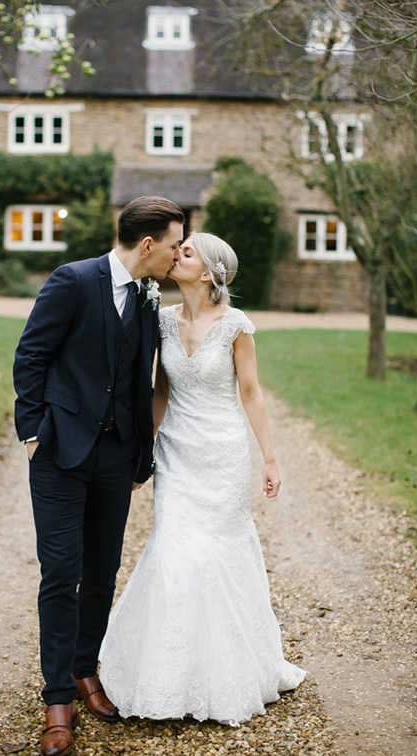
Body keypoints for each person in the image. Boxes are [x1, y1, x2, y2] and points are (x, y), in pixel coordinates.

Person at [99, 231, 306, 727]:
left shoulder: (236, 326)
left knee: (219, 551)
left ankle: (226, 672)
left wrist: (270, 459)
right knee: (172, 546)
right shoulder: (163, 320)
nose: (176, 254)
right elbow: (159, 394)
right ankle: (166, 673)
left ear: (209, 272)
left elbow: (252, 394)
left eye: (186, 251)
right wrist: (142, 453)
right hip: (177, 453)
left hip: (223, 454)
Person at [13, 196, 185, 756]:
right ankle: (57, 698)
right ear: (148, 245)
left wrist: (141, 454)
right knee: (61, 573)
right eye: (175, 243)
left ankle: (87, 669)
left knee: (103, 570)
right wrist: (34, 431)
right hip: (60, 452)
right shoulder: (73, 280)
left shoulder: (147, 298)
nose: (180, 253)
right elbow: (31, 355)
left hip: (116, 458)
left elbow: (141, 380)